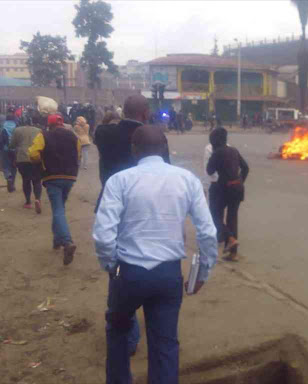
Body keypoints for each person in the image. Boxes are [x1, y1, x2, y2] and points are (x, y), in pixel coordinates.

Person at [93, 124, 217, 384]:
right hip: (167, 274)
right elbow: (207, 232)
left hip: (128, 272)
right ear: (164, 148)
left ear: (134, 150)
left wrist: (111, 266)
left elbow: (104, 235)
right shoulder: (187, 180)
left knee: (117, 330)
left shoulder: (119, 180)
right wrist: (202, 272)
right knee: (165, 344)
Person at [94, 95, 170, 358]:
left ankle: (128, 335)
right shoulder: (155, 138)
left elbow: (101, 129)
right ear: (146, 113)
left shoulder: (106, 134)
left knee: (118, 273)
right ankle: (151, 329)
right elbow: (165, 172)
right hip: (147, 211)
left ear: (123, 111)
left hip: (113, 210)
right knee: (148, 262)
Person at [29, 114, 81, 266]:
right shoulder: (73, 136)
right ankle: (57, 240)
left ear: (49, 124)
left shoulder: (43, 135)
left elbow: (33, 154)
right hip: (70, 177)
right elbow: (78, 155)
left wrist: (42, 160)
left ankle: (67, 242)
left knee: (58, 210)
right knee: (60, 208)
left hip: (52, 177)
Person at [207, 127, 249, 261]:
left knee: (214, 215)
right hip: (238, 188)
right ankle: (233, 253)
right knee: (232, 218)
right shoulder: (234, 150)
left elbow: (209, 171)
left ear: (214, 141)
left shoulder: (217, 153)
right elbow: (246, 168)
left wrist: (213, 156)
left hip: (224, 188)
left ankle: (230, 238)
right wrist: (240, 181)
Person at [9, 122, 43, 211]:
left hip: (22, 159)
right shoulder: (39, 130)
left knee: (26, 180)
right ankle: (37, 199)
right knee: (37, 180)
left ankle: (28, 202)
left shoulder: (17, 130)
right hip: (36, 158)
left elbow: (12, 145)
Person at [0, 109, 18, 192]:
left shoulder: (2, 126)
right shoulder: (17, 125)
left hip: (4, 149)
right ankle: (12, 184)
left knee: (6, 166)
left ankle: (8, 176)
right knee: (14, 166)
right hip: (14, 149)